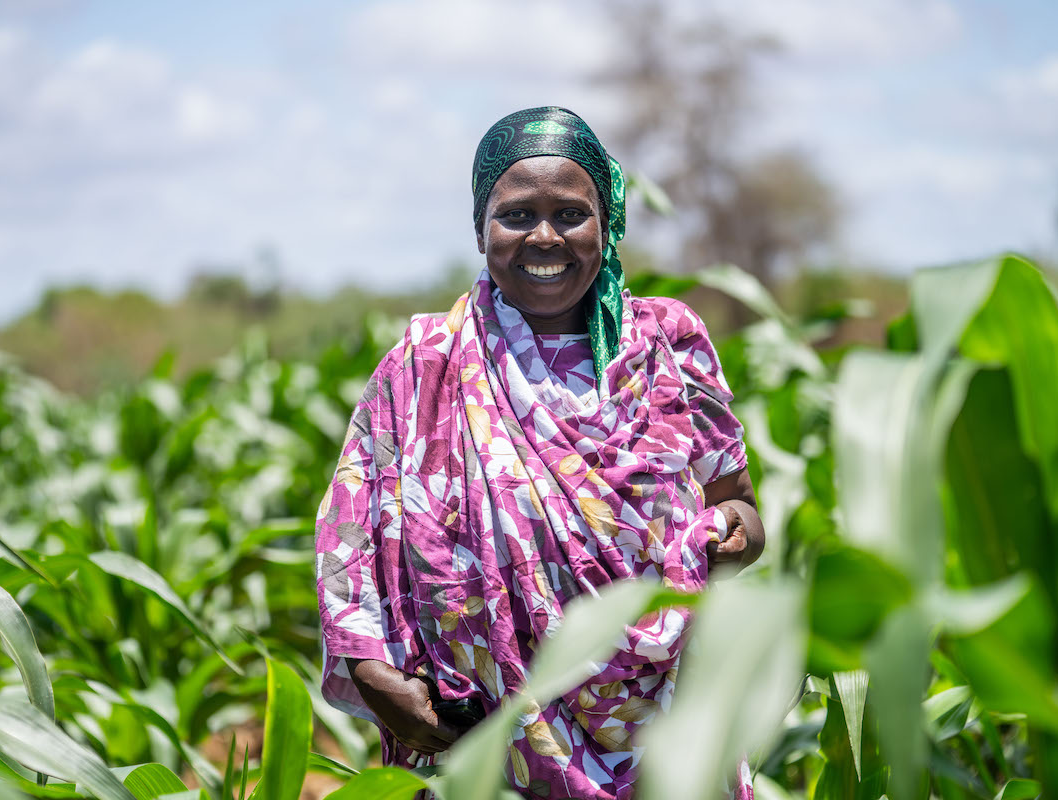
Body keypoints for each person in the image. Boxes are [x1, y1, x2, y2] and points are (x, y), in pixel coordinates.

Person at [315, 106, 763, 800]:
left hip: (664, 728)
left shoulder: (669, 344)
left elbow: (735, 499)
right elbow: (348, 537)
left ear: (607, 224)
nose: (545, 236)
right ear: (481, 228)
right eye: (518, 215)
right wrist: (376, 675)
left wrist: (739, 532)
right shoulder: (424, 363)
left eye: (571, 214)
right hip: (481, 737)